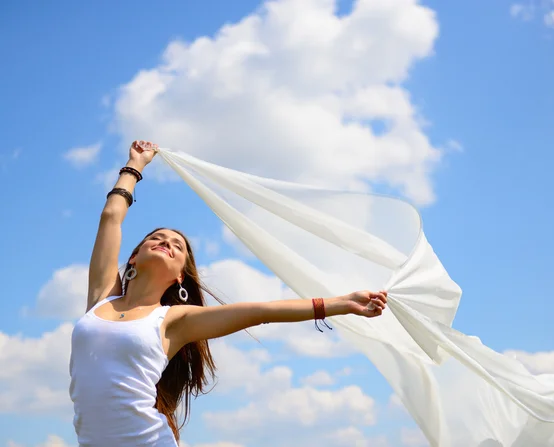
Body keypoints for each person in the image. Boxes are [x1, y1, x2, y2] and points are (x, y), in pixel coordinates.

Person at [69, 140, 388, 447]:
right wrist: (135, 164)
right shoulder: (102, 296)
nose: (167, 242)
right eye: (157, 238)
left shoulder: (173, 320)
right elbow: (111, 217)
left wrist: (342, 304)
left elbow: (261, 312)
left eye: (177, 246)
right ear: (135, 256)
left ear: (180, 276)